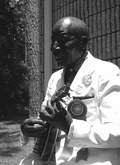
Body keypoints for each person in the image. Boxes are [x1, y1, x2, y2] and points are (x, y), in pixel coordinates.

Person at [19, 16, 120, 165]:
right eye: (53, 40)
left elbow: (116, 133)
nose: (54, 47)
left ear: (82, 42)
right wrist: (31, 129)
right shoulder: (55, 78)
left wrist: (70, 127)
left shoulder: (106, 73)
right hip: (53, 159)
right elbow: (49, 123)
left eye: (63, 40)